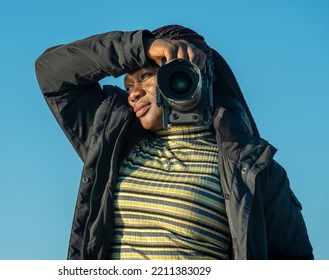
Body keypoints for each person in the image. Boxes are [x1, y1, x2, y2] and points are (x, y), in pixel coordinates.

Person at [35, 25, 313, 260]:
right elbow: (51, 72)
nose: (133, 94)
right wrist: (141, 47)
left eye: (145, 77)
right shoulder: (115, 144)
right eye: (129, 86)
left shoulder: (254, 170)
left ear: (189, 76)